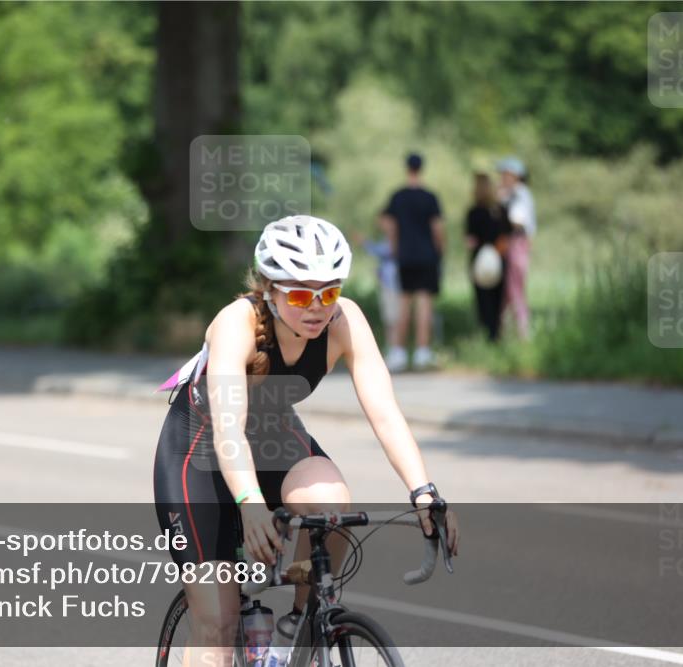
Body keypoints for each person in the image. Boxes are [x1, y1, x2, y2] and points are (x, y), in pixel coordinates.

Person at [153, 216, 459, 667]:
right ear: (269, 289)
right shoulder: (236, 323)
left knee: (332, 504)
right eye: (300, 294)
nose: (316, 307)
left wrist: (423, 490)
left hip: (275, 436)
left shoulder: (344, 320)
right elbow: (229, 429)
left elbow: (385, 412)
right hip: (198, 451)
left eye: (329, 292)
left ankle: (298, 628)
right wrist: (250, 501)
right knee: (218, 619)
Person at [380, 153, 445, 371]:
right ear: (422, 168)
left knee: (404, 303)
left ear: (407, 168)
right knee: (424, 304)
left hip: (405, 256)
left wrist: (396, 247)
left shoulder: (398, 196)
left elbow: (388, 224)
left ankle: (398, 351)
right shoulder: (430, 197)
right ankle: (422, 352)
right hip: (427, 256)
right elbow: (438, 229)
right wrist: (440, 252)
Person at [465, 173, 512, 341]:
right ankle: (496, 335)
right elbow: (506, 238)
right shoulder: (500, 211)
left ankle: (487, 335)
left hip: (479, 262)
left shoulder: (473, 212)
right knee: (497, 301)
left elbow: (470, 241)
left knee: (483, 302)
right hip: (498, 259)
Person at [496, 157, 537, 339]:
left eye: (506, 174)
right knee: (507, 292)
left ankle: (522, 333)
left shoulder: (519, 194)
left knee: (515, 289)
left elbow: (517, 221)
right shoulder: (515, 194)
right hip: (511, 244)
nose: (503, 178)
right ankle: (506, 334)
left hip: (516, 244)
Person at [354, 219, 401, 348]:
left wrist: (365, 242)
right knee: (389, 319)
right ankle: (392, 347)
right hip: (388, 284)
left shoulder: (396, 240)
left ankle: (395, 348)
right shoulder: (389, 239)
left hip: (393, 286)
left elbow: (382, 251)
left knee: (394, 319)